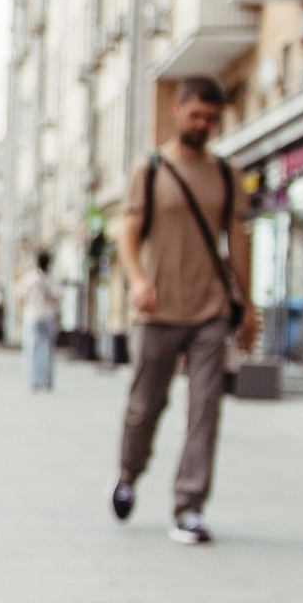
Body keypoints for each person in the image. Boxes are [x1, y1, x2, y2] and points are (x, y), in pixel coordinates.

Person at [110, 76, 250, 544]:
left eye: (211, 119)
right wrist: (137, 281)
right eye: (196, 115)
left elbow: (238, 240)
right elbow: (128, 234)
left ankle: (189, 506)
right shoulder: (149, 169)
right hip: (157, 308)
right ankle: (129, 474)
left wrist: (246, 305)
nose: (203, 125)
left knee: (205, 410)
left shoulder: (226, 173)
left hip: (209, 309)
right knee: (145, 407)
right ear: (177, 110)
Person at [22, 246, 58, 393]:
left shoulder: (30, 278)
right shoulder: (50, 278)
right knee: (48, 349)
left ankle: (33, 381)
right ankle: (47, 380)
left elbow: (22, 297)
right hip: (48, 315)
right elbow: (56, 297)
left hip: (31, 316)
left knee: (32, 349)